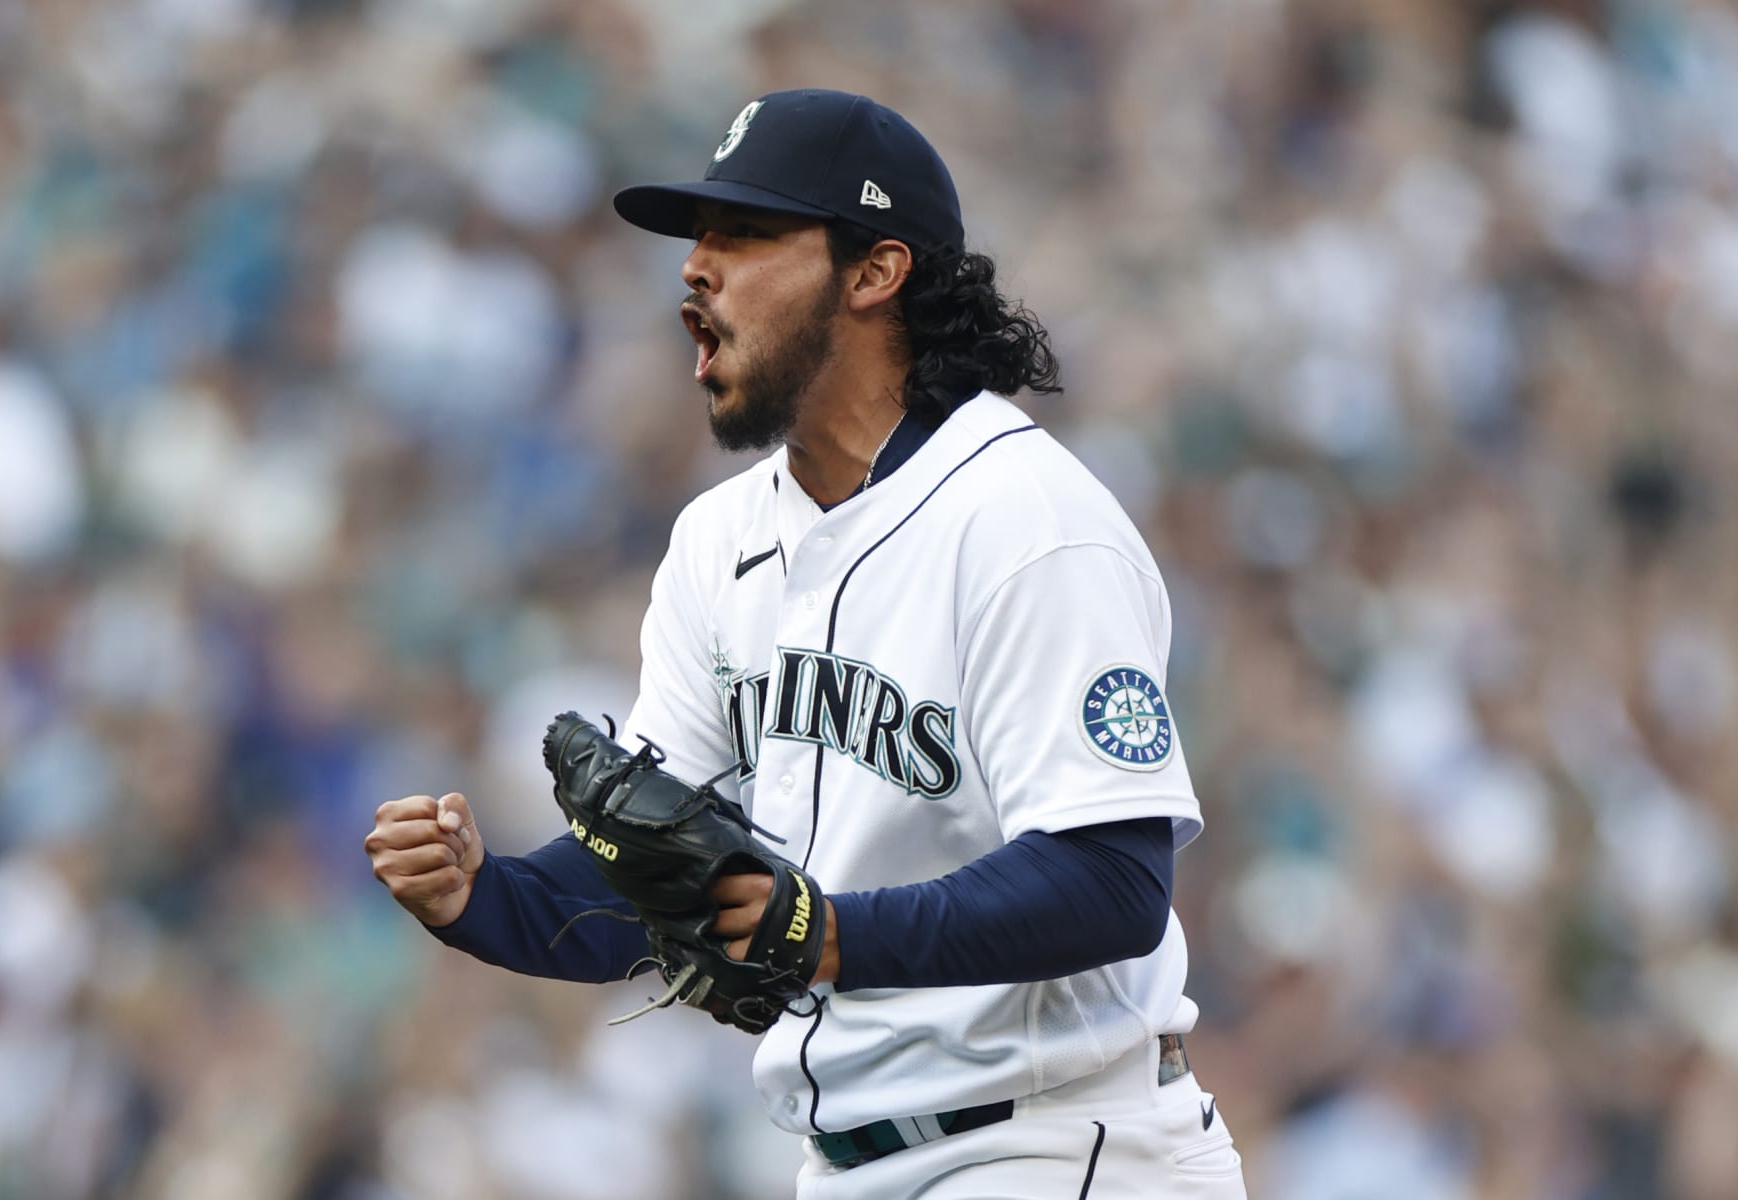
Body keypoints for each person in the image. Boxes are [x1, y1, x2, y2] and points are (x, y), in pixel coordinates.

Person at [365, 88, 1248, 1199]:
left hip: (1058, 1143)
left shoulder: (1029, 523)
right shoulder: (718, 542)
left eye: (744, 235)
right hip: (846, 1160)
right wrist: (486, 897)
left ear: (874, 273)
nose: (697, 268)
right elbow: (659, 881)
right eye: (698, 238)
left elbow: (1113, 883)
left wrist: (830, 933)